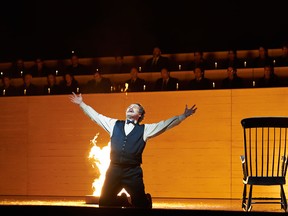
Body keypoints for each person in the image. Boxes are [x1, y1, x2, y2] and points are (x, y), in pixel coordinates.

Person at [69, 92, 197, 208]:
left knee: (141, 205)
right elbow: (96, 117)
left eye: (134, 107)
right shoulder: (114, 124)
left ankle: (146, 199)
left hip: (133, 172)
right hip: (114, 169)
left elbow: (165, 125)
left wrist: (183, 116)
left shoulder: (145, 130)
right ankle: (123, 200)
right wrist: (82, 104)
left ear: (139, 114)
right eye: (129, 107)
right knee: (104, 202)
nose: (130, 108)